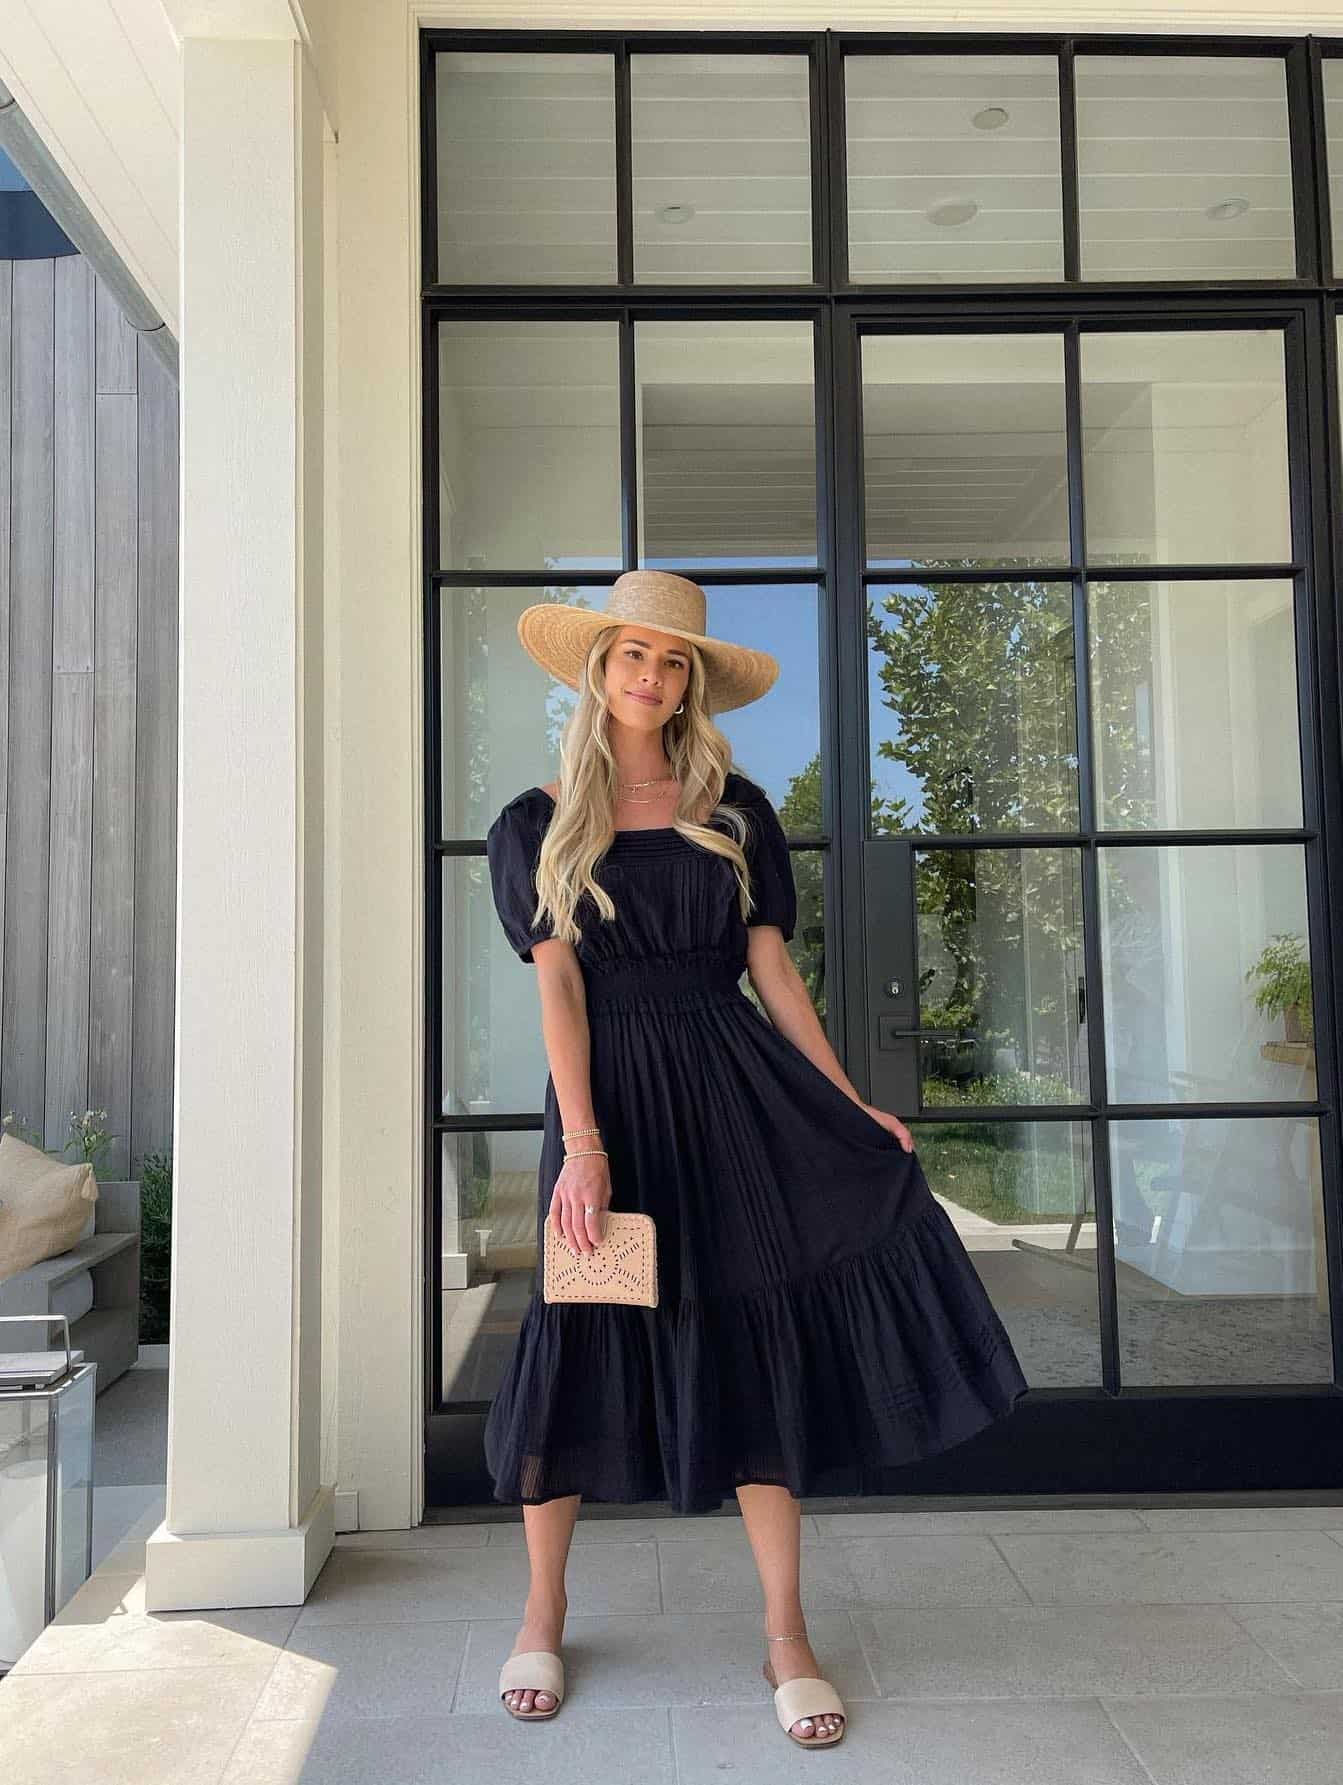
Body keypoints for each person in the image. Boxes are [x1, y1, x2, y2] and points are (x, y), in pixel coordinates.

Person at [484, 570, 1029, 1746]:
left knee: (749, 1329)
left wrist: (846, 1105)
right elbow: (560, 990)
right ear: (597, 668)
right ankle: (541, 1611)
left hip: (736, 1093)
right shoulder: (534, 824)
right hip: (606, 1108)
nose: (651, 675)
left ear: (690, 683)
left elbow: (773, 975)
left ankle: (786, 1630)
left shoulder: (737, 809)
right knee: (581, 1330)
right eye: (633, 654)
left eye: (672, 660)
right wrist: (582, 1149)